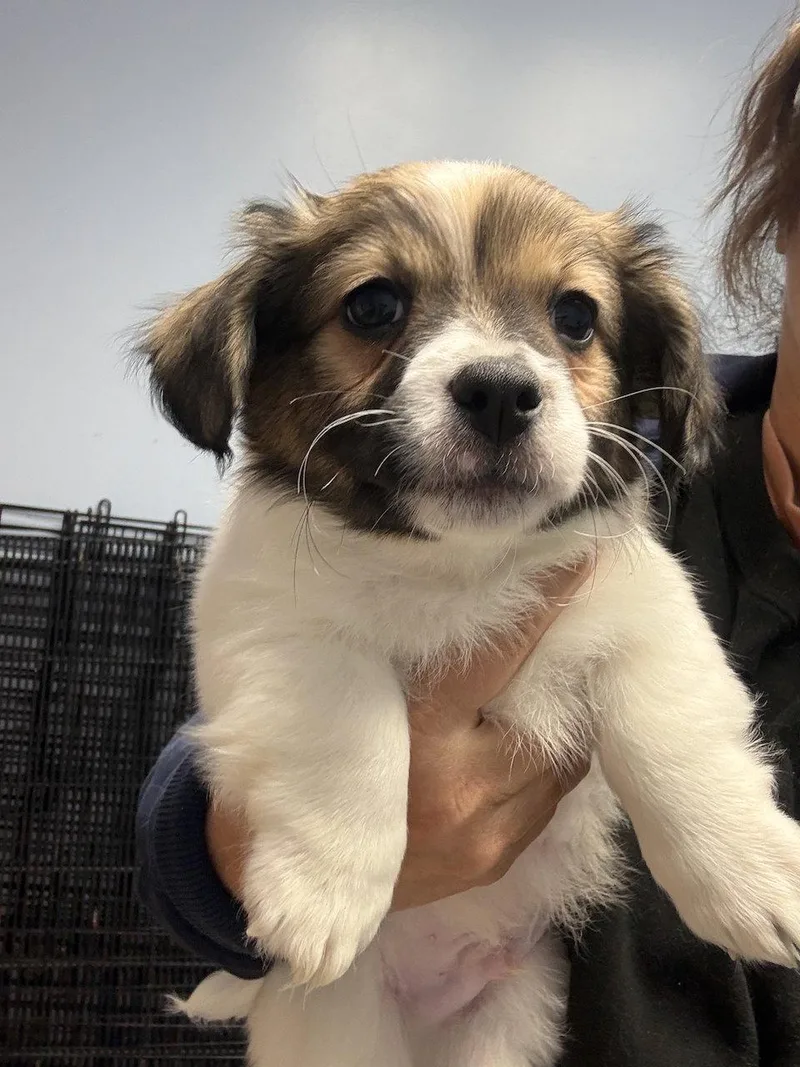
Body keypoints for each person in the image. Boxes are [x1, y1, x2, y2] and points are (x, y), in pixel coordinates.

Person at [136, 21, 800, 1065]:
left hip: (510, 977)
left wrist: (710, 828)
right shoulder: (296, 538)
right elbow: (231, 712)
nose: (500, 370)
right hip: (343, 983)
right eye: (377, 306)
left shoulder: (622, 505)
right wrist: (245, 839)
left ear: (637, 375)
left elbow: (647, 651)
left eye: (571, 321)